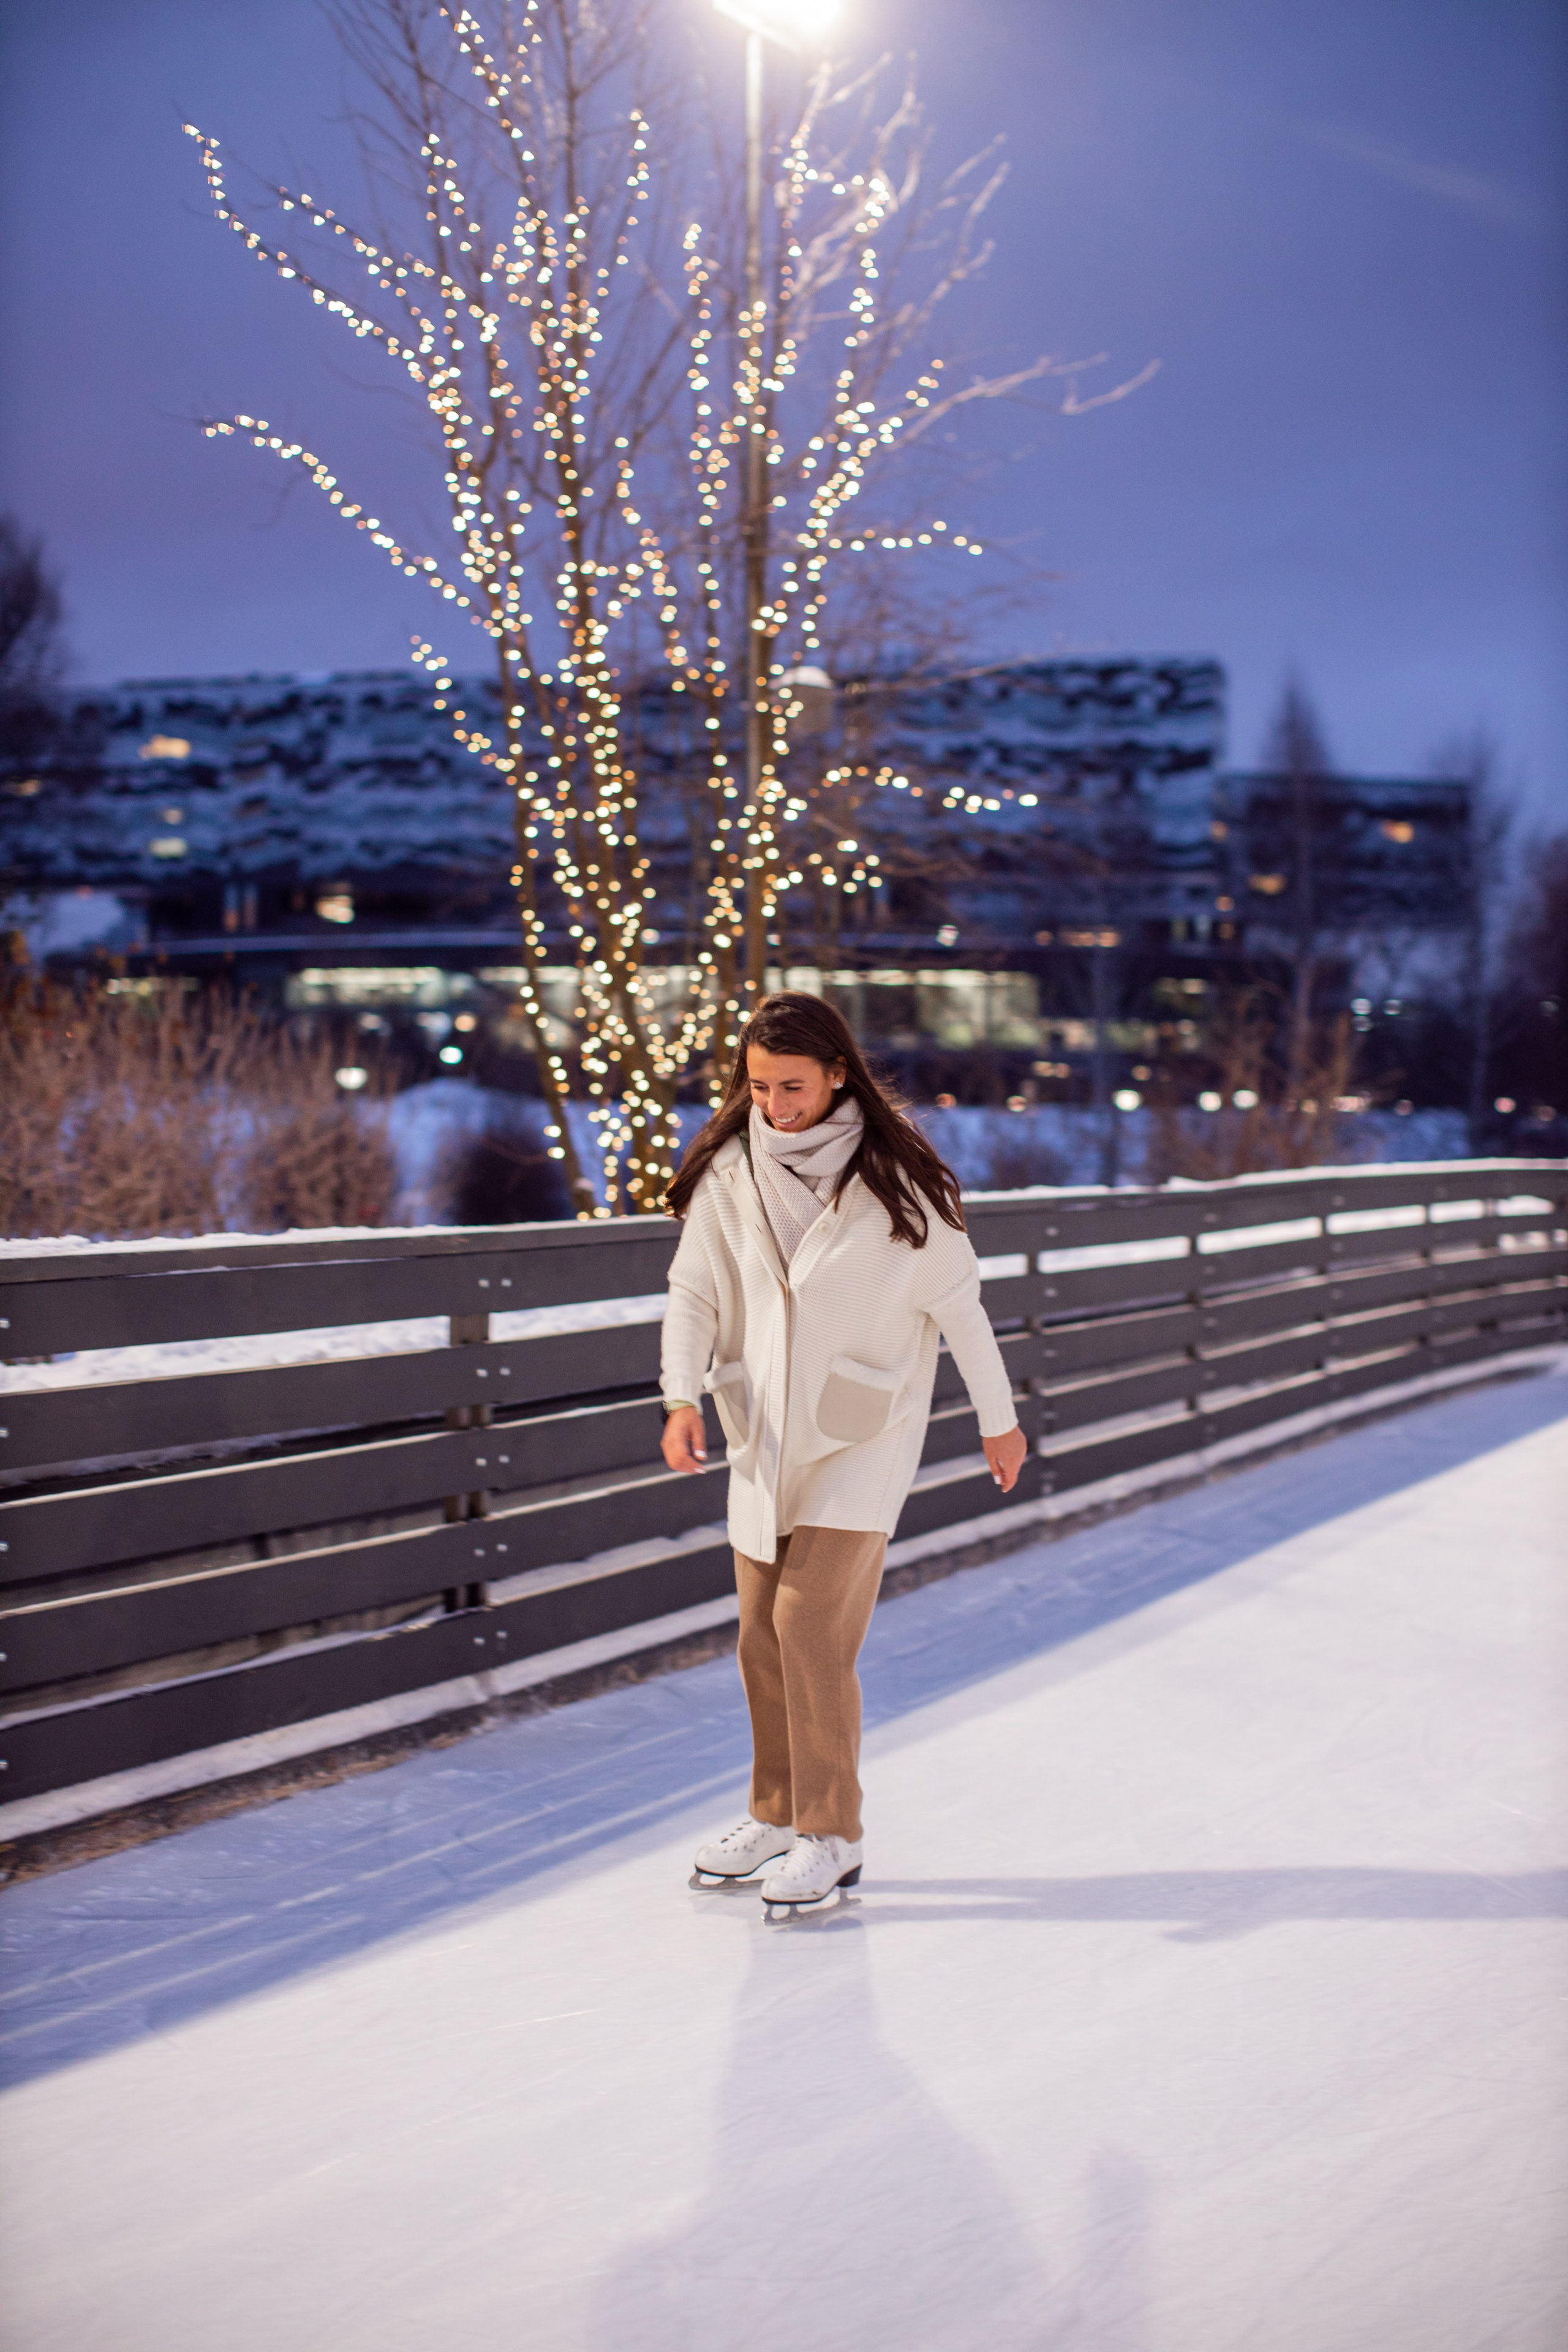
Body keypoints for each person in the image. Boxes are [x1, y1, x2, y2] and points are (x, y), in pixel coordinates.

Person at [660, 992, 1027, 1910]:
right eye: (758, 1088)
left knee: (809, 1625)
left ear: (836, 1075)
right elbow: (692, 1294)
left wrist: (999, 1418)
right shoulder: (729, 1176)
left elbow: (962, 1314)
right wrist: (678, 1395)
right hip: (762, 1431)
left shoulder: (900, 1184)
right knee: (758, 1635)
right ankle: (777, 1814)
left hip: (864, 1435)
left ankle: (834, 1834)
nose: (776, 1107)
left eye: (793, 1086)